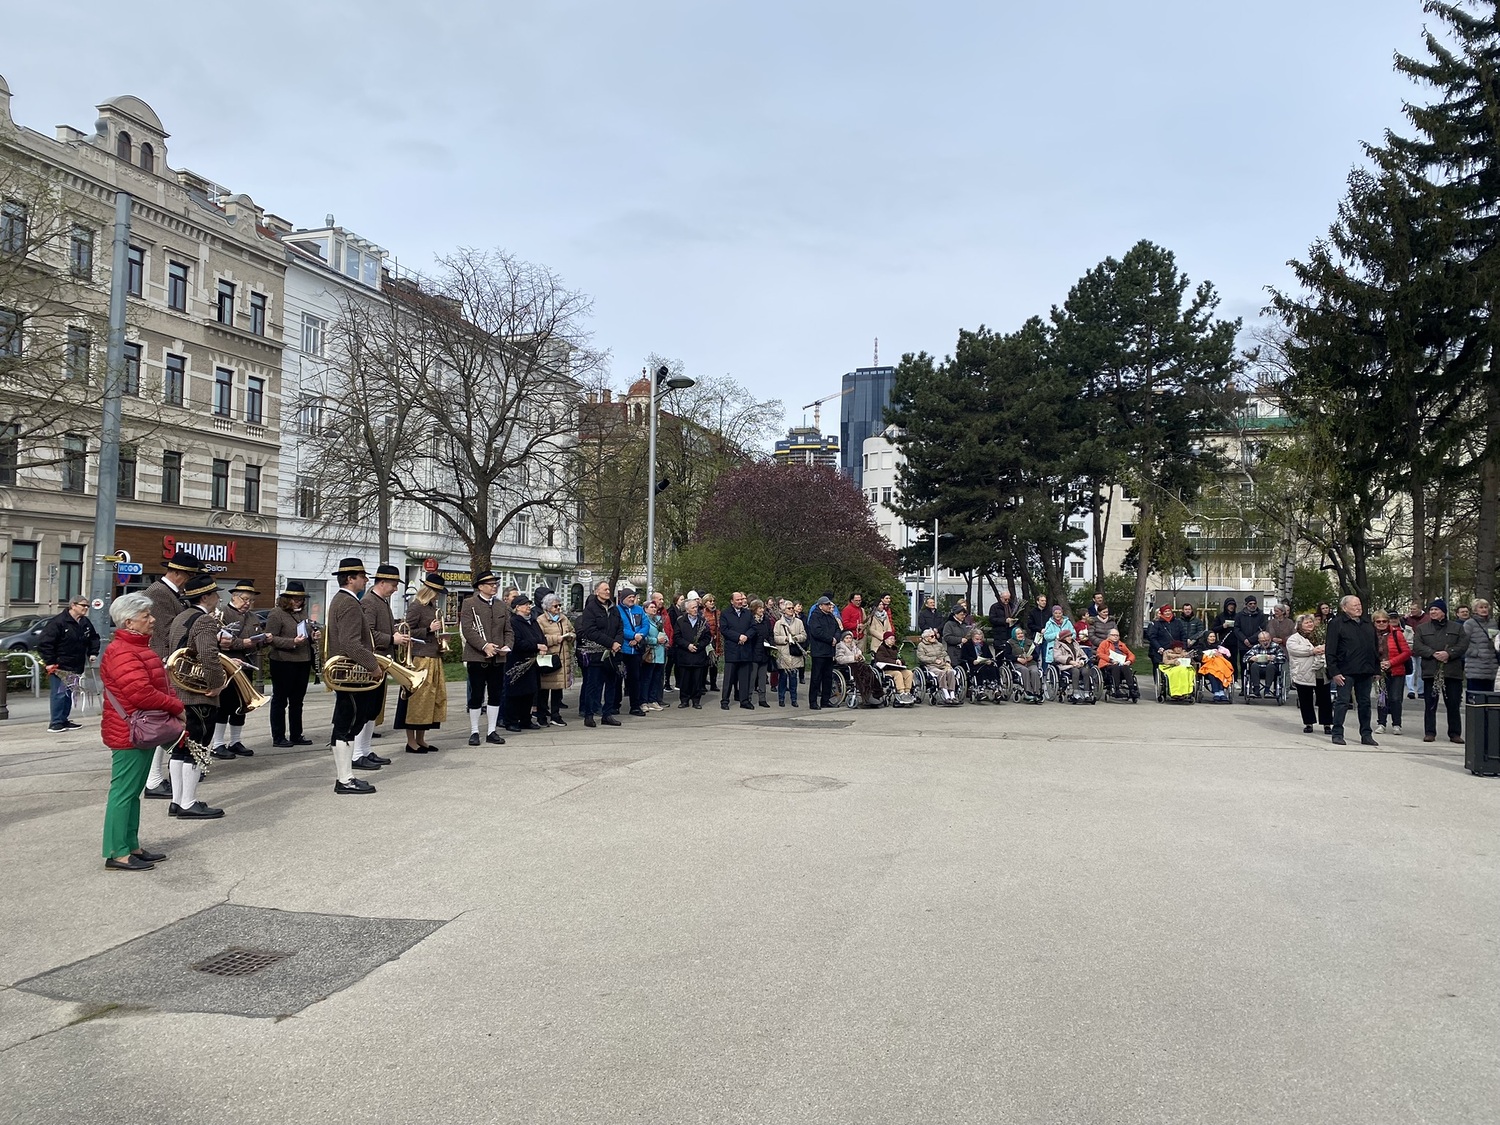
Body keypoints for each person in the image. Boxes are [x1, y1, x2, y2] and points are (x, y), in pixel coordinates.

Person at [99, 592, 184, 871]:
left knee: (132, 792)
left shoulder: (135, 648)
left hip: (139, 729)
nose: (152, 619)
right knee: (124, 792)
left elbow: (158, 685)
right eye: (145, 616)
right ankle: (117, 852)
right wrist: (176, 707)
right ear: (129, 622)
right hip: (129, 731)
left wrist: (172, 702)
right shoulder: (123, 652)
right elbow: (141, 693)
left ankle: (130, 845)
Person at [139, 549, 202, 800]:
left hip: (166, 661)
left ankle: (157, 776)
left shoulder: (169, 592)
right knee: (161, 721)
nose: (189, 580)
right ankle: (153, 780)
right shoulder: (159, 593)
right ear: (176, 573)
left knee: (166, 720)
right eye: (189, 575)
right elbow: (165, 632)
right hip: (164, 662)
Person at [165, 570, 228, 818]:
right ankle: (189, 803)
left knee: (180, 748)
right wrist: (217, 683)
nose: (217, 599)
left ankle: (177, 801)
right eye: (215, 595)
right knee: (198, 746)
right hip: (198, 693)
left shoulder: (180, 617)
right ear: (205, 597)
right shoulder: (204, 621)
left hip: (179, 691)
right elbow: (208, 656)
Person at [326, 558, 380, 794]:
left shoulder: (342, 600)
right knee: (347, 726)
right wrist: (372, 665)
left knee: (345, 725)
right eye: (362, 576)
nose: (366, 580)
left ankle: (346, 776)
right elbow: (350, 644)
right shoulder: (349, 603)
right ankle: (345, 779)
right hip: (350, 675)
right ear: (350, 579)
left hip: (345, 673)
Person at [352, 564, 408, 771]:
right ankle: (357, 754)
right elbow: (367, 633)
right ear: (382, 583)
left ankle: (365, 750)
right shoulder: (369, 602)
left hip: (381, 662)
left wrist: (396, 634)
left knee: (373, 710)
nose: (395, 589)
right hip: (371, 662)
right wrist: (392, 639)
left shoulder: (382, 602)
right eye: (393, 585)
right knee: (365, 709)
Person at [207, 578, 267, 760]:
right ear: (234, 597)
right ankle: (218, 744)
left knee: (242, 705)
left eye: (251, 600)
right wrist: (244, 643)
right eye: (244, 599)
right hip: (227, 666)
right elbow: (220, 641)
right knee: (224, 705)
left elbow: (256, 641)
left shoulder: (253, 617)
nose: (248, 603)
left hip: (245, 666)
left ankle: (235, 741)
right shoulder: (222, 614)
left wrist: (263, 640)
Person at [394, 572, 448, 752]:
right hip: (419, 657)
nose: (438, 596)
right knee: (417, 699)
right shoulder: (416, 606)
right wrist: (428, 629)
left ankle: (421, 739)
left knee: (429, 699)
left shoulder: (432, 607)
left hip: (433, 655)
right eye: (437, 592)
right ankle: (411, 741)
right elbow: (406, 630)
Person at [460, 571, 514, 744]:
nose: (494, 586)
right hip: (477, 656)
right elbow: (467, 629)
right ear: (480, 587)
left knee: (495, 694)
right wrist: (484, 646)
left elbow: (508, 630)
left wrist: (507, 647)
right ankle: (474, 731)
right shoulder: (469, 603)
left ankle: (492, 731)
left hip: (498, 657)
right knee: (476, 695)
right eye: (490, 584)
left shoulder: (501, 605)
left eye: (495, 584)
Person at [265, 580, 317, 749]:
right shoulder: (276, 613)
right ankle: (278, 736)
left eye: (301, 599)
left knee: (297, 701)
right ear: (286, 599)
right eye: (295, 599)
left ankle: (296, 734)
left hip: (302, 661)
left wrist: (313, 636)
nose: (298, 602)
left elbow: (306, 632)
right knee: (280, 700)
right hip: (283, 661)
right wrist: (292, 642)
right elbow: (270, 638)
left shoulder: (303, 613)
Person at [1411, 597, 1469, 745]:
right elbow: (1417, 646)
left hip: (1452, 671)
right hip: (1431, 671)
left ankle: (1455, 733)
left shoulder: (1457, 628)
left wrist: (1449, 653)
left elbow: (1463, 645)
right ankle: (1430, 732)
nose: (1433, 612)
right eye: (1431, 610)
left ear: (1443, 612)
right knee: (1430, 704)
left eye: (1436, 609)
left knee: (1453, 704)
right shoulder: (1422, 628)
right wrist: (1433, 653)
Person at [38, 595, 99, 733]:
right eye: (83, 605)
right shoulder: (58, 622)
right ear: (73, 605)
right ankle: (56, 722)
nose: (86, 608)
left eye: (87, 606)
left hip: (76, 664)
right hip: (60, 665)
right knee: (59, 693)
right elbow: (45, 643)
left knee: (69, 693)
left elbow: (93, 638)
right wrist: (50, 662)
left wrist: (93, 652)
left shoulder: (85, 622)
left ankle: (64, 719)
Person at [1325, 594, 1380, 746]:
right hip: (1345, 671)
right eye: (1355, 605)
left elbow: (1374, 648)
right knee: (1342, 702)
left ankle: (1366, 734)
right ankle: (1337, 733)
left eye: (1359, 605)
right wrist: (1334, 672)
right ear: (1344, 608)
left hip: (1365, 670)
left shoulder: (1367, 623)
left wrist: (1376, 669)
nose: (1358, 608)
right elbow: (1330, 649)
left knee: (1365, 704)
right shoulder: (1336, 623)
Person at [577, 579, 624, 728]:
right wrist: (610, 643)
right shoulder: (591, 609)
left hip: (612, 655)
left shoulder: (614, 609)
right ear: (597, 591)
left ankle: (607, 714)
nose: (608, 592)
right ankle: (589, 715)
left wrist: (617, 643)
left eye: (609, 590)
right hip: (596, 653)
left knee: (611, 684)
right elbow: (590, 631)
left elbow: (620, 628)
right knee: (593, 686)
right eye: (605, 589)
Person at [504, 595, 545, 732]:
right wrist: (536, 645)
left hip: (531, 662)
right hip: (516, 662)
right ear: (517, 607)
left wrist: (542, 645)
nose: (528, 607)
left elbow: (541, 637)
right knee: (515, 693)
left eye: (529, 604)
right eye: (525, 604)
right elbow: (517, 642)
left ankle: (525, 720)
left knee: (530, 692)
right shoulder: (513, 622)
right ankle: (511, 721)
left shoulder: (533, 621)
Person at [534, 593, 576, 725]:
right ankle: (541, 715)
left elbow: (572, 630)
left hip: (562, 658)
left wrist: (571, 636)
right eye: (555, 606)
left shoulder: (563, 618)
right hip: (548, 658)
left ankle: (555, 715)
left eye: (559, 605)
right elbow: (539, 638)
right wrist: (556, 639)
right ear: (547, 607)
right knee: (544, 689)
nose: (558, 608)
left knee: (558, 688)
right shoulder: (541, 620)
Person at [1287, 613, 1333, 734]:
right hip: (1303, 672)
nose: (1309, 624)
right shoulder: (1294, 638)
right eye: (1306, 622)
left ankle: (1327, 724)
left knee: (1325, 700)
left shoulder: (1321, 635)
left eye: (1311, 622)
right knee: (1305, 700)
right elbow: (1294, 650)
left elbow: (1330, 646)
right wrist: (1312, 651)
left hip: (1321, 671)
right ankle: (1309, 723)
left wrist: (1324, 649)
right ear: (1300, 625)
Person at [1372, 609, 1411, 736]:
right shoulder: (1371, 635)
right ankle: (1381, 723)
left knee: (1395, 698)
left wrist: (1391, 662)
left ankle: (1396, 724)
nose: (1381, 623)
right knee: (1382, 698)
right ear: (1374, 622)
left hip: (1396, 670)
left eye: (1384, 621)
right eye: (1378, 621)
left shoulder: (1396, 634)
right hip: (1380, 671)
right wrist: (1377, 665)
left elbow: (1406, 652)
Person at [716, 591, 756, 711]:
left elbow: (753, 627)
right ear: (732, 601)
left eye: (741, 599)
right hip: (732, 649)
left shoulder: (747, 613)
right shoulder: (725, 613)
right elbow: (724, 630)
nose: (740, 602)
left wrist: (746, 636)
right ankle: (725, 700)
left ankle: (744, 701)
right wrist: (738, 637)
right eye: (737, 600)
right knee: (729, 678)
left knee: (744, 678)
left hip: (745, 649)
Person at [673, 592, 712, 709]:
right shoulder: (681, 621)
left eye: (696, 607)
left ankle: (696, 700)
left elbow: (707, 637)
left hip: (698, 656)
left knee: (697, 680)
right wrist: (687, 645)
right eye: (693, 608)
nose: (695, 610)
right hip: (685, 655)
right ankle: (684, 700)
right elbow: (677, 637)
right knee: (685, 679)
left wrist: (699, 646)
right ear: (687, 610)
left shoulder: (702, 621)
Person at [617, 586, 650, 718]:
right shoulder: (617, 610)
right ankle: (615, 705)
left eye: (633, 597)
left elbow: (645, 625)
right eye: (629, 597)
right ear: (623, 598)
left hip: (635, 651)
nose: (632, 599)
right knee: (617, 679)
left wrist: (639, 636)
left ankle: (635, 706)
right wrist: (632, 636)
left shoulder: (639, 610)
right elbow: (618, 627)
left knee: (635, 679)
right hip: (622, 649)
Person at [807, 597, 842, 709]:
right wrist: (830, 639)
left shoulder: (831, 616)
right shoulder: (815, 616)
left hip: (829, 651)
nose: (829, 606)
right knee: (816, 677)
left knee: (828, 677)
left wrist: (836, 638)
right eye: (827, 605)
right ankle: (813, 702)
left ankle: (825, 701)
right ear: (821, 606)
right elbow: (817, 632)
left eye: (829, 604)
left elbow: (838, 629)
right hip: (819, 651)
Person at [773, 601, 807, 707]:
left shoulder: (799, 622)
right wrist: (786, 639)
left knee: (793, 679)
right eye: (789, 608)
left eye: (792, 608)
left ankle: (794, 699)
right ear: (784, 610)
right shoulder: (778, 623)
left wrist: (796, 638)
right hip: (783, 653)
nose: (791, 610)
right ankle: (781, 698)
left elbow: (804, 635)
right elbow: (775, 637)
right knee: (782, 678)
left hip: (794, 653)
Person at [835, 629, 882, 706]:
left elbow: (860, 654)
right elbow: (839, 659)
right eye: (847, 638)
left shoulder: (854, 646)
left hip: (857, 664)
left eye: (850, 638)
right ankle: (866, 695)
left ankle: (876, 693)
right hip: (847, 666)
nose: (849, 640)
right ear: (843, 639)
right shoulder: (840, 646)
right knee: (861, 674)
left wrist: (860, 657)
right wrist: (853, 658)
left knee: (869, 671)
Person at [1462, 598, 1497, 695]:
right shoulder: (1469, 624)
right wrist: (1476, 653)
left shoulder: (1493, 623)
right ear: (1475, 610)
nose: (1484, 609)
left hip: (1491, 667)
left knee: (1489, 698)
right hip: (1475, 667)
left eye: (1485, 607)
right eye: (1481, 607)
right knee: (1476, 697)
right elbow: (1463, 643)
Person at [640, 595, 667, 712]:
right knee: (647, 678)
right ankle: (643, 701)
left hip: (660, 653)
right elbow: (643, 637)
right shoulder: (643, 620)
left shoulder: (658, 620)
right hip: (650, 653)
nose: (654, 609)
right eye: (651, 607)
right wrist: (655, 640)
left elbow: (663, 632)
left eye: (655, 607)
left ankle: (653, 699)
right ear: (645, 609)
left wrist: (665, 639)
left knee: (656, 678)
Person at [960, 628, 1003, 700]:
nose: (979, 641)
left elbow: (989, 655)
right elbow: (964, 656)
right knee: (980, 670)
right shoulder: (967, 645)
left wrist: (989, 660)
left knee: (994, 668)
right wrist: (973, 660)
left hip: (984, 663)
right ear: (972, 638)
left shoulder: (984, 645)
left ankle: (996, 689)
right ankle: (980, 690)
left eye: (980, 639)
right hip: (973, 664)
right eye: (976, 639)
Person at [917, 628, 958, 703]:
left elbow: (945, 654)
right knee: (942, 673)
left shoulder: (939, 644)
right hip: (931, 665)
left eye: (934, 635)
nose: (934, 637)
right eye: (932, 636)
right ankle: (946, 695)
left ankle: (952, 695)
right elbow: (922, 657)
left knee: (950, 672)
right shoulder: (921, 645)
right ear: (926, 638)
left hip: (943, 664)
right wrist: (934, 660)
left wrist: (947, 661)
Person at [1051, 626, 1091, 702]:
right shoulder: (1058, 645)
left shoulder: (1075, 643)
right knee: (1075, 671)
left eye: (1070, 636)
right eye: (1068, 636)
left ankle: (1087, 693)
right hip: (1066, 665)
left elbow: (1083, 654)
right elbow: (1057, 657)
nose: (1070, 637)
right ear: (1063, 638)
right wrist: (1070, 661)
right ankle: (1075, 694)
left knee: (1085, 671)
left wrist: (1081, 661)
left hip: (1077, 664)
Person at [872, 632, 915, 702]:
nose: (893, 640)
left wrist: (901, 661)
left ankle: (907, 692)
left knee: (909, 673)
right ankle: (901, 692)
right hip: (887, 669)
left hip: (897, 668)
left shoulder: (895, 649)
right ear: (885, 640)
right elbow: (880, 659)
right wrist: (894, 661)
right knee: (898, 674)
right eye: (891, 639)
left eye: (894, 639)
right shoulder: (882, 648)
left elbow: (902, 658)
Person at [1145, 605, 1186, 678]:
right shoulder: (1156, 623)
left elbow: (1183, 635)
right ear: (1162, 613)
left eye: (1169, 611)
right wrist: (1159, 647)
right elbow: (1152, 637)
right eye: (1165, 611)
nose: (1167, 613)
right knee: (1159, 667)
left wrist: (1183, 647)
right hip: (1161, 650)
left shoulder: (1178, 622)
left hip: (1175, 650)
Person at [1095, 628, 1137, 699]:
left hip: (1121, 663)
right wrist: (1111, 660)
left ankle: (1132, 689)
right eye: (1113, 635)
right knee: (1115, 667)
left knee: (1126, 667)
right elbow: (1099, 654)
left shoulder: (1121, 644)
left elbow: (1131, 655)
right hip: (1108, 664)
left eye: (1117, 635)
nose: (1115, 637)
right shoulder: (1104, 643)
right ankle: (1116, 689)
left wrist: (1129, 661)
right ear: (1109, 636)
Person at [1243, 631, 1285, 697]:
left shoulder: (1276, 647)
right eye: (1262, 641)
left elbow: (1283, 658)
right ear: (1259, 641)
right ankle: (1256, 690)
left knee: (1270, 666)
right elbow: (1244, 658)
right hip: (1258, 669)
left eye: (1267, 640)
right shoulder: (1256, 647)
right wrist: (1251, 658)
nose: (1265, 642)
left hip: (1271, 670)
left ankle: (1267, 690)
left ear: (1270, 639)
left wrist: (1274, 658)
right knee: (1254, 665)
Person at [1009, 625, 1044, 703]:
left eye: (1021, 633)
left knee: (1034, 671)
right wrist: (1018, 659)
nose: (1020, 635)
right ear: (1014, 635)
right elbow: (1007, 655)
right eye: (1018, 634)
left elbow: (1036, 655)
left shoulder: (1029, 642)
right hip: (1018, 663)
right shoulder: (1010, 643)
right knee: (1024, 670)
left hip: (1030, 662)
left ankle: (1037, 692)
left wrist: (1031, 657)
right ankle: (1028, 692)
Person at [1233, 595, 1268, 669]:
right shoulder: (1239, 615)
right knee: (1244, 666)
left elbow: (1262, 629)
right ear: (1246, 605)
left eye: (1254, 603)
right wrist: (1244, 639)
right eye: (1250, 604)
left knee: (1256, 666)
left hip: (1256, 644)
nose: (1253, 605)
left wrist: (1251, 640)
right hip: (1243, 645)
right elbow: (1236, 629)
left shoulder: (1261, 615)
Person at [750, 599, 774, 707]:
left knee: (762, 678)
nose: (762, 610)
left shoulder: (766, 620)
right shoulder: (751, 621)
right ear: (754, 609)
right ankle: (748, 697)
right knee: (752, 677)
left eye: (762, 608)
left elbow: (770, 634)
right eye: (759, 608)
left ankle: (762, 699)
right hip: (753, 653)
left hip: (764, 652)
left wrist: (771, 644)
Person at [702, 593, 722, 693]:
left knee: (714, 663)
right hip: (706, 641)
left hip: (715, 640)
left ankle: (713, 684)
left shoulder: (717, 613)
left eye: (713, 601)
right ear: (705, 603)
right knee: (705, 663)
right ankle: (702, 683)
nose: (712, 603)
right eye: (710, 601)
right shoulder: (702, 613)